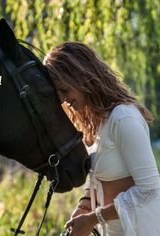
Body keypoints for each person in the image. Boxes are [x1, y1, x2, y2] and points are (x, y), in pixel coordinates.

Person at [44, 41, 160, 236]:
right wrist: (84, 206)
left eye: (65, 90)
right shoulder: (95, 124)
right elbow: (98, 177)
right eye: (59, 95)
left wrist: (92, 219)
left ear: (82, 77)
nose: (63, 100)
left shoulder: (123, 118)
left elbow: (150, 191)